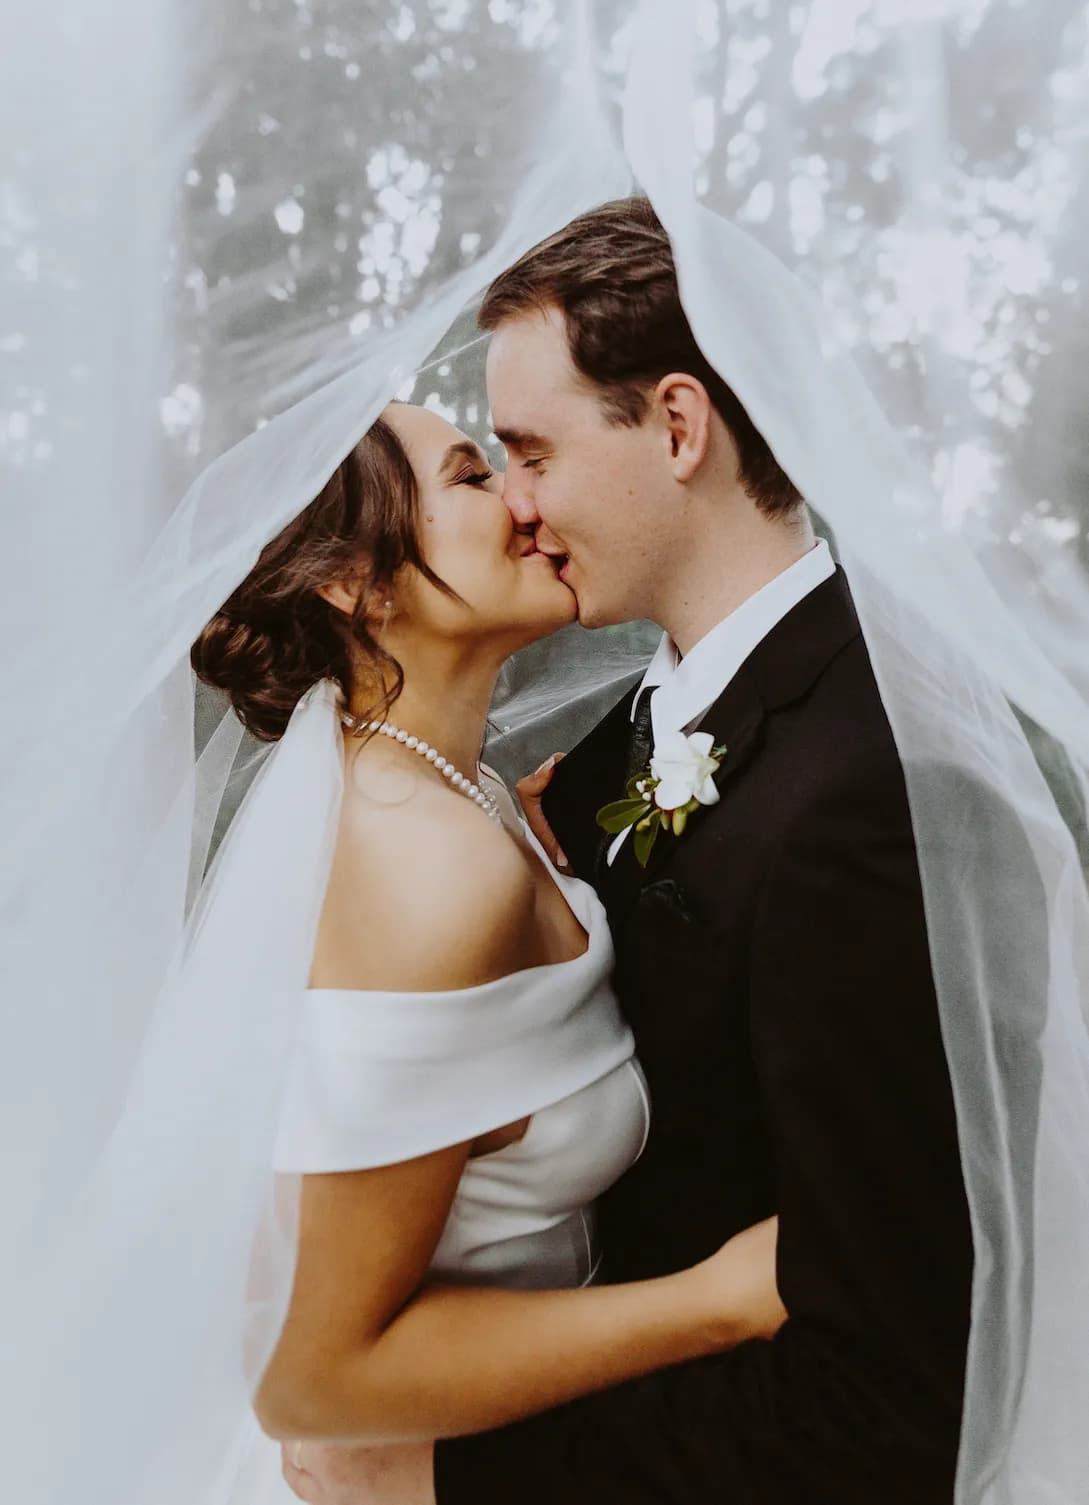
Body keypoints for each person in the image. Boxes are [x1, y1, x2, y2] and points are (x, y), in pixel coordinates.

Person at [295, 197, 974, 1505]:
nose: (522, 507)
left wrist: (447, 1477)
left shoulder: (864, 786)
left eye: (530, 452)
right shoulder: (609, 751)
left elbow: (884, 1403)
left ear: (676, 425)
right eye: (491, 466)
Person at [190, 399, 786, 1501]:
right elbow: (312, 1384)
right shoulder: (426, 866)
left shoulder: (462, 796)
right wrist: (721, 1298)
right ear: (353, 583)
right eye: (471, 476)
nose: (525, 500)